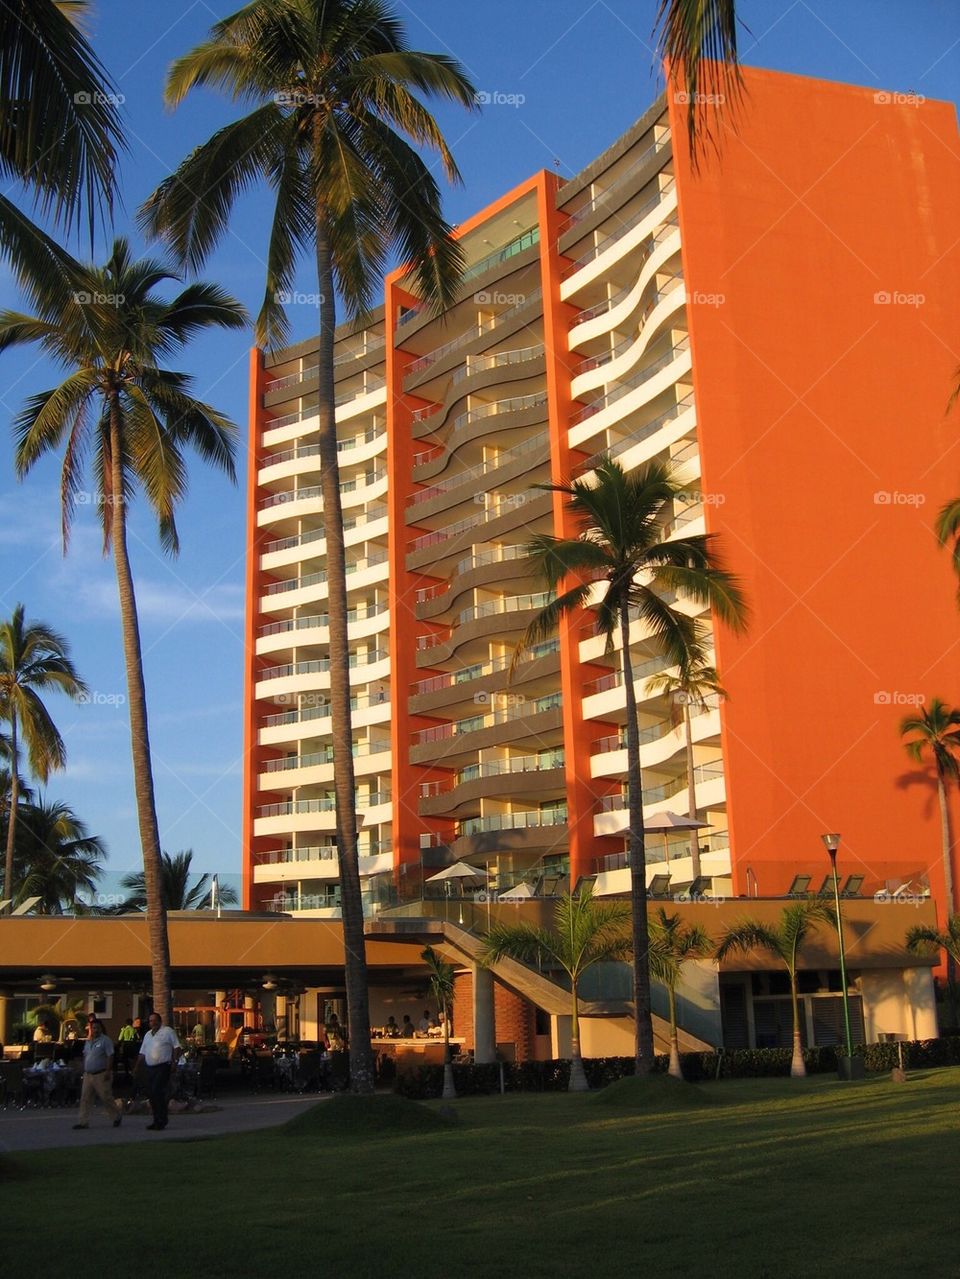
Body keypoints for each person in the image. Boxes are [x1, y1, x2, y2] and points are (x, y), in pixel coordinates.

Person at [73, 1019, 122, 1130]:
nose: (95, 1030)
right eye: (93, 1028)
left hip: (101, 1073)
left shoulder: (106, 1041)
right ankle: (83, 1122)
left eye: (97, 1028)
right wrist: (84, 1068)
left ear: (101, 1028)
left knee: (106, 1097)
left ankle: (116, 1116)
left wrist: (108, 1071)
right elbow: (85, 1055)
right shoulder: (88, 1042)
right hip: (88, 1074)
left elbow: (110, 1056)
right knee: (85, 1098)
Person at [136, 1011, 182, 1131]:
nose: (153, 1023)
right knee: (151, 1094)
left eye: (155, 1020)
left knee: (157, 1091)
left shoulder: (168, 1031)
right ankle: (156, 1119)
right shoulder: (148, 1035)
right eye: (151, 1021)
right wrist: (136, 1067)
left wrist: (174, 1062)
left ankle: (162, 1119)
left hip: (163, 1066)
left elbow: (177, 1047)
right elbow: (142, 1053)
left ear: (160, 1021)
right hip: (150, 1068)